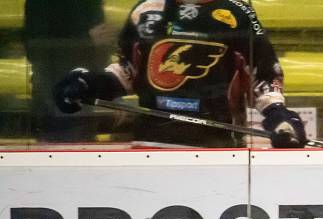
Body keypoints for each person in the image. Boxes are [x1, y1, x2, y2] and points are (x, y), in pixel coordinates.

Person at [53, 0, 306, 148]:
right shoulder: (146, 10)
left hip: (217, 145)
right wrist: (89, 83)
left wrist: (277, 114)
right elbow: (129, 71)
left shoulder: (237, 12)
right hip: (150, 143)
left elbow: (261, 75)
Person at [24, 0, 114, 141]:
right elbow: (37, 50)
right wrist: (87, 40)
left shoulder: (91, 4)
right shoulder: (41, 4)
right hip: (56, 98)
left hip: (79, 99)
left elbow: (100, 53)